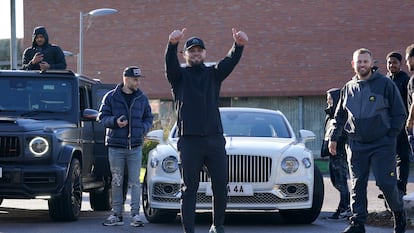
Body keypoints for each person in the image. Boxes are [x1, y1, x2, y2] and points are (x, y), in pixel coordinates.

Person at [165, 28, 248, 233]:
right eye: (191, 51)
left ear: (204, 54)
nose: (195, 54)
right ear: (185, 55)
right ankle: (189, 231)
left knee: (220, 186)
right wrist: (172, 44)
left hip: (214, 139)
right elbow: (170, 65)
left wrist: (238, 46)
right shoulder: (179, 77)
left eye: (199, 51)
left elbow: (229, 62)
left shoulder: (214, 74)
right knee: (189, 190)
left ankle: (217, 226)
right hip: (189, 141)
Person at [329, 48, 407, 233]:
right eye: (359, 61)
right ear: (353, 64)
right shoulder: (348, 87)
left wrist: (390, 135)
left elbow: (400, 113)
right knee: (357, 184)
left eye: (365, 61)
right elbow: (340, 116)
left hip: (382, 143)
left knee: (386, 183)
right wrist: (333, 137)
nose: (362, 65)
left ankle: (398, 213)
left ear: (372, 63)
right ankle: (358, 223)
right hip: (356, 144)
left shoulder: (385, 84)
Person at [98, 66, 153, 227]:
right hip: (116, 146)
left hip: (135, 146)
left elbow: (148, 117)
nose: (138, 82)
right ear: (126, 79)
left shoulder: (142, 98)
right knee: (116, 181)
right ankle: (116, 214)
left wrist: (142, 129)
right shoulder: (111, 97)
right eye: (135, 79)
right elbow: (101, 117)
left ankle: (135, 215)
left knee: (135, 182)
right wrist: (115, 122)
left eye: (138, 79)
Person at [322, 88, 351, 220]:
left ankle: (345, 208)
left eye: (330, 99)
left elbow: (344, 133)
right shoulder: (330, 115)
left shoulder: (342, 116)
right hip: (332, 153)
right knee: (335, 181)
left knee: (341, 181)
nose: (328, 101)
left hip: (340, 152)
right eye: (327, 99)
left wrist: (337, 143)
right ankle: (343, 207)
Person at [385, 51, 411, 196]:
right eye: (389, 62)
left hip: (402, 124)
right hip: (387, 125)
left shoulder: (405, 80)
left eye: (394, 62)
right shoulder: (385, 80)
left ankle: (401, 188)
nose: (391, 65)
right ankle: (390, 187)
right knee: (388, 156)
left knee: (403, 157)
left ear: (400, 64)